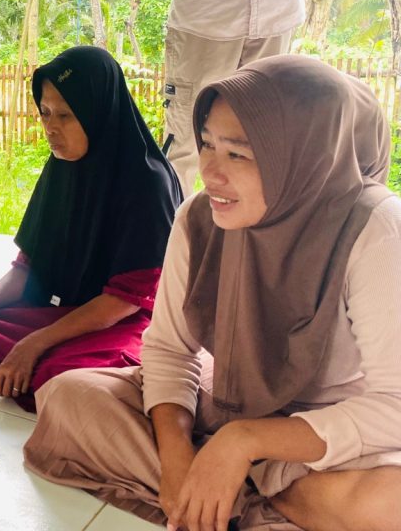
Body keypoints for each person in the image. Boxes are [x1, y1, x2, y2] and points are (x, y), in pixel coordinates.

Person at [24, 56, 401, 531]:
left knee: (389, 503)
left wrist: (243, 441)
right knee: (66, 395)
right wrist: (179, 453)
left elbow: (395, 406)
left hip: (322, 437)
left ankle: (225, 494)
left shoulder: (374, 227)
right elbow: (166, 350)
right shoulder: (201, 217)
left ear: (303, 155)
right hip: (223, 403)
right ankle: (236, 496)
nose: (209, 172)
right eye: (206, 145)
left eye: (238, 153)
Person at [0, 47, 183, 412]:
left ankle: (39, 361)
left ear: (97, 112)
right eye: (45, 112)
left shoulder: (146, 182)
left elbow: (123, 301)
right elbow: (29, 264)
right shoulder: (61, 165)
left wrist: (34, 343)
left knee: (67, 375)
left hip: (119, 319)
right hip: (61, 306)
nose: (50, 127)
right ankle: (31, 358)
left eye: (65, 115)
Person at [162, 0, 304, 195]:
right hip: (206, 19)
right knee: (185, 141)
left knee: (262, 138)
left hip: (275, 13)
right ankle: (171, 227)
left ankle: (251, 227)